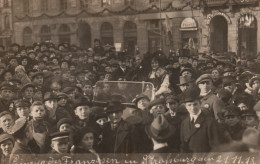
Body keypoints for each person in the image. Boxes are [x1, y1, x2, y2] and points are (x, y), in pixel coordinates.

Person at [180, 88, 222, 153]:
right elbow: (183, 146)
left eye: (195, 104)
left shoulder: (210, 122)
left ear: (200, 103)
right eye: (189, 105)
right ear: (185, 106)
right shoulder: (184, 123)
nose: (193, 108)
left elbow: (216, 147)